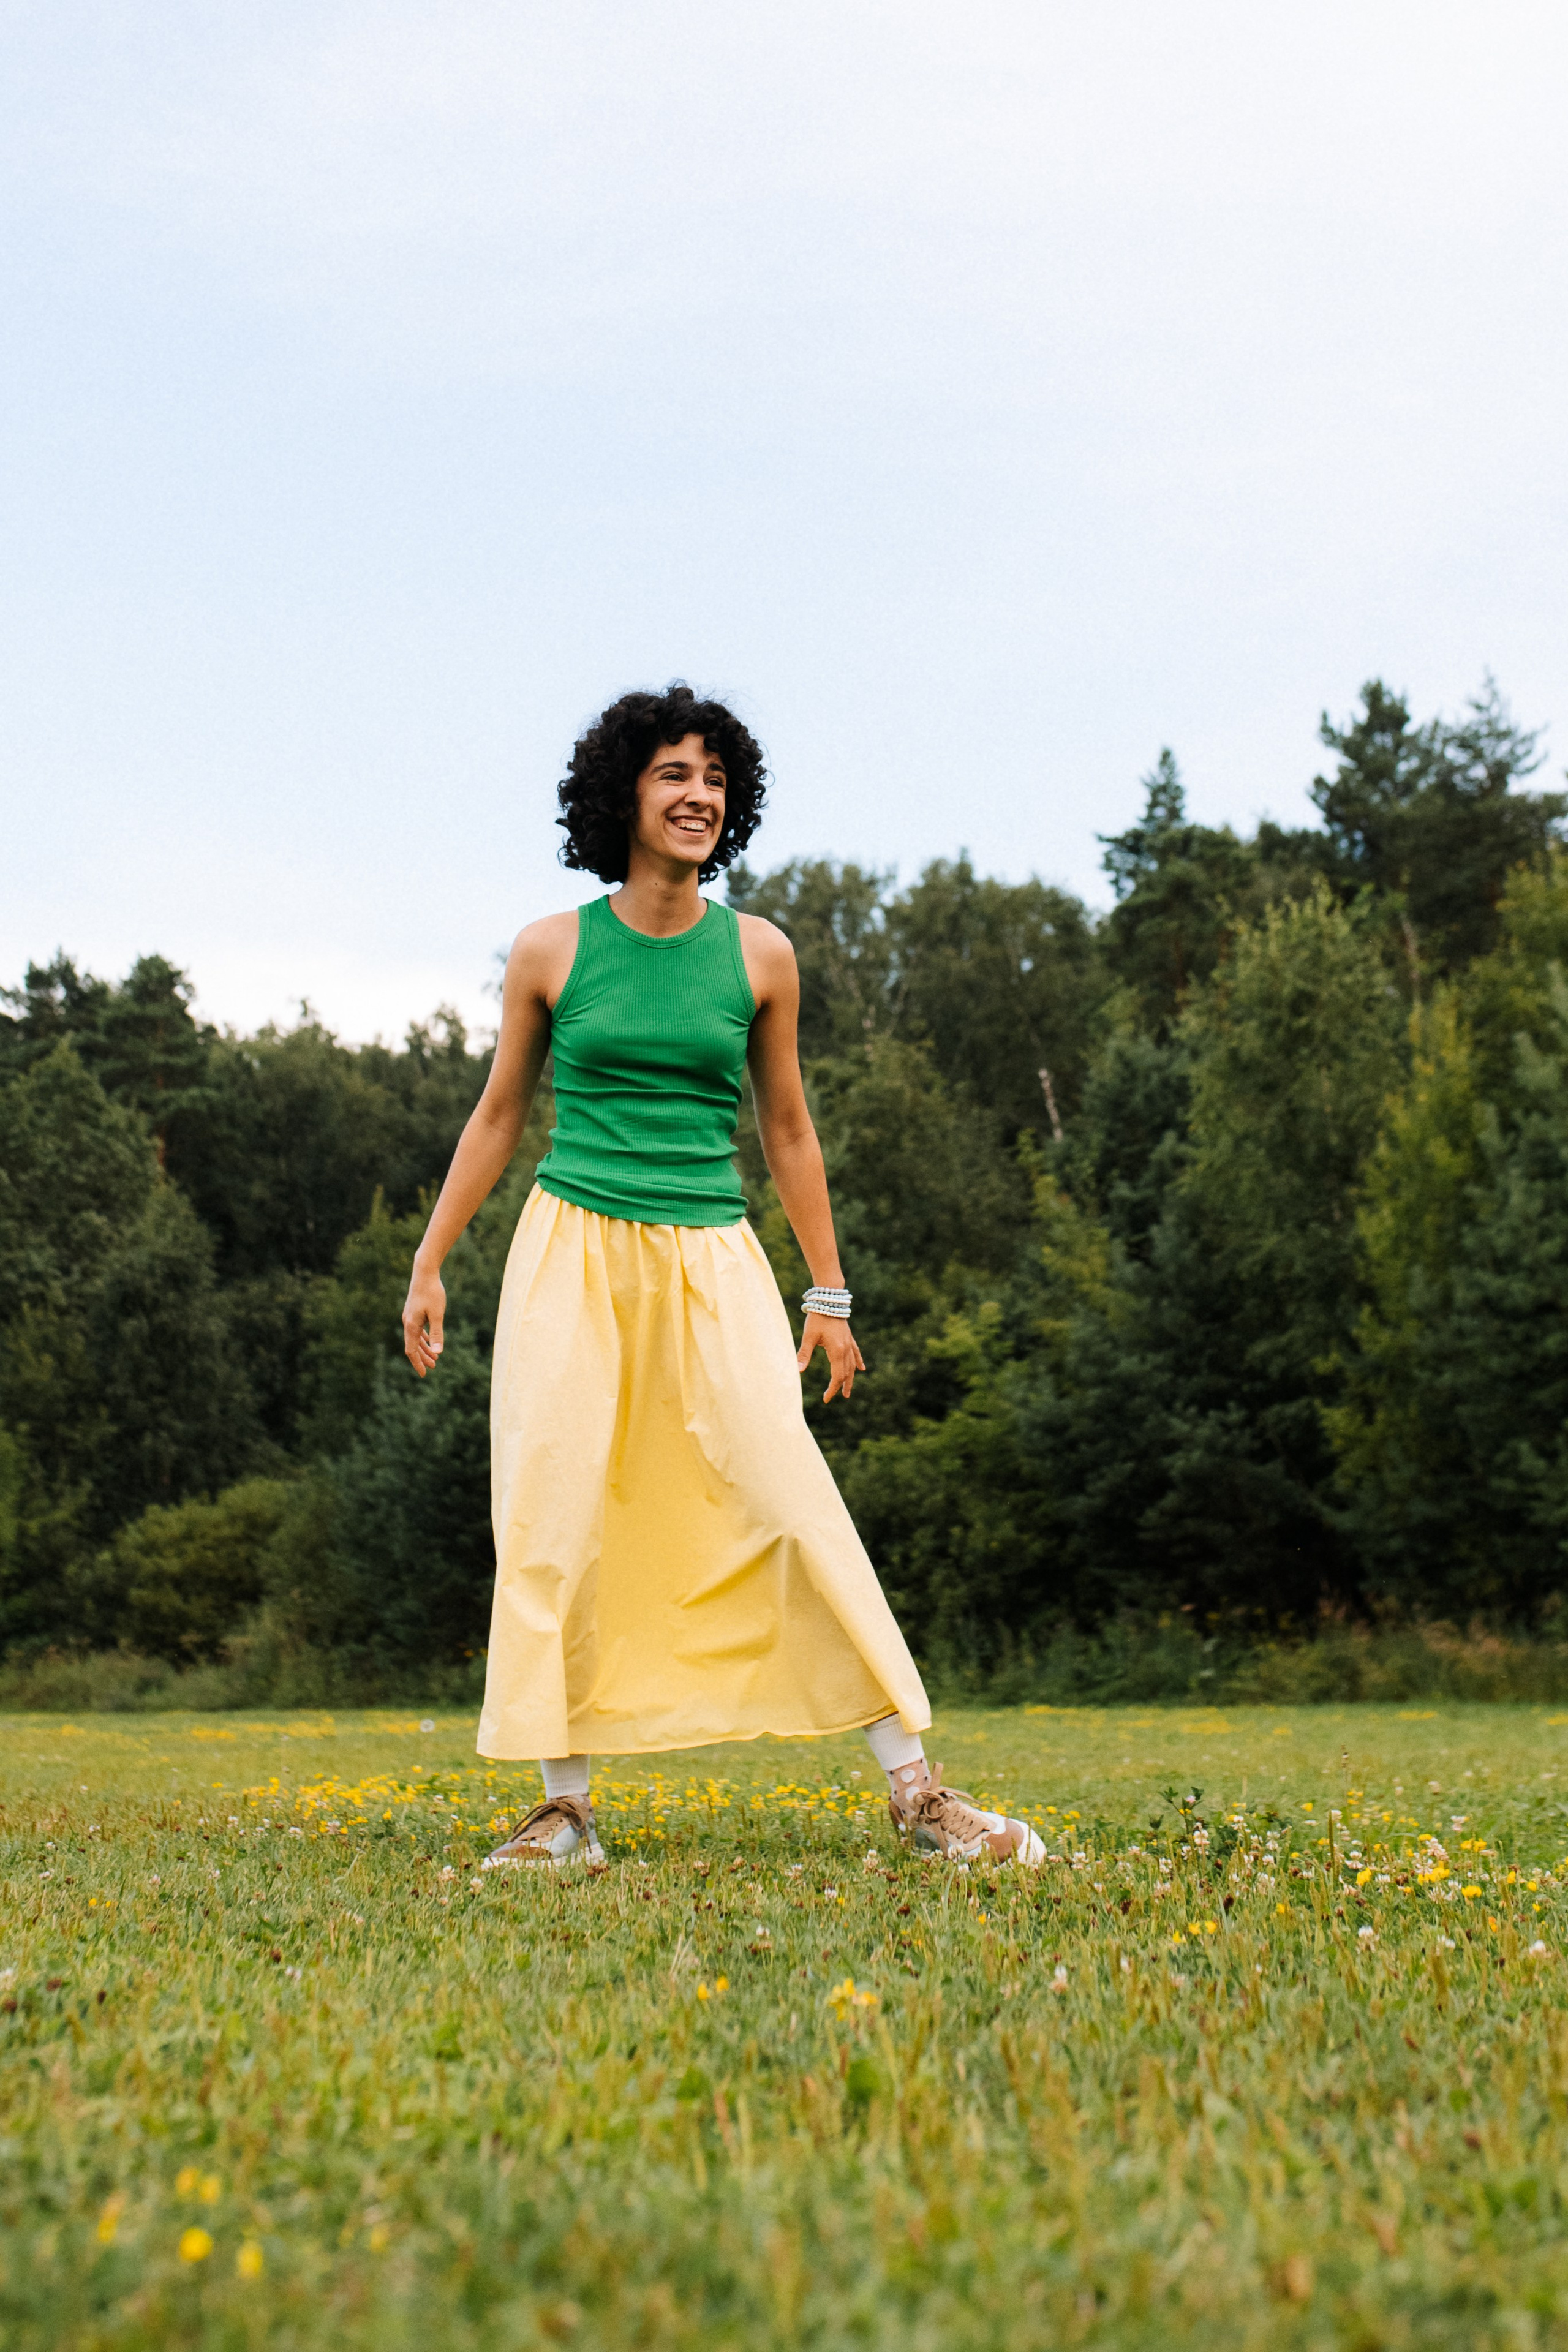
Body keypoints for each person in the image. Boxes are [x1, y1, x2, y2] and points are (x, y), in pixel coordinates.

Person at [401, 684, 1042, 1872]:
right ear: (621, 797)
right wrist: (430, 1262)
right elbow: (499, 1116)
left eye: (712, 777)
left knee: (789, 1498)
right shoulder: (551, 949)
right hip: (571, 1254)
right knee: (554, 1510)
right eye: (671, 775)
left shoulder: (759, 954)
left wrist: (829, 1291)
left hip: (712, 1260)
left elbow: (789, 1130)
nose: (698, 796)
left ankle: (918, 1795)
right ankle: (565, 1813)